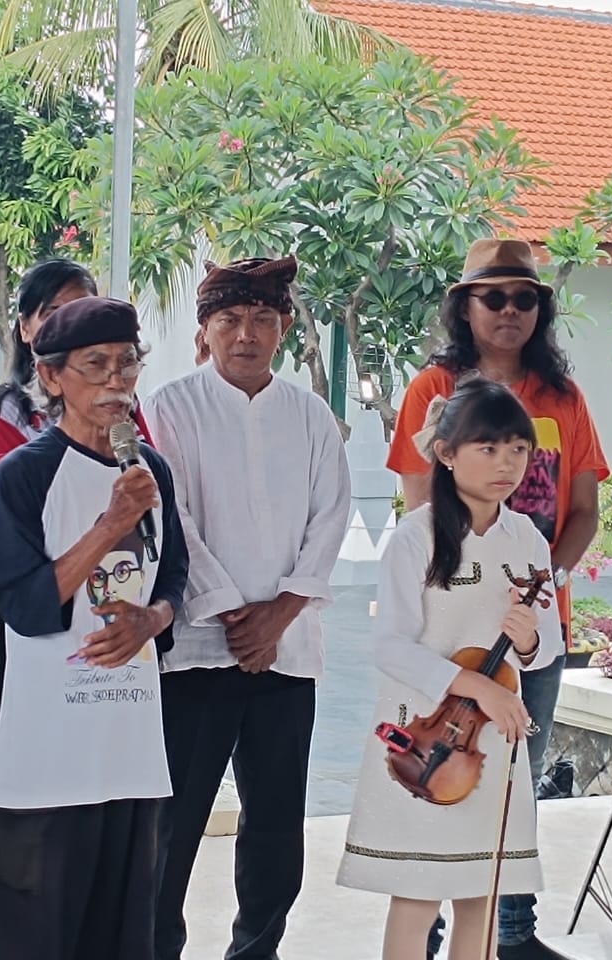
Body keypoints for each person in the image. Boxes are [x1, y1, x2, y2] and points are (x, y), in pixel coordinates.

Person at [387, 238, 607, 960]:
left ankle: (511, 933)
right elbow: (420, 506)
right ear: (464, 306)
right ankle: (429, 927)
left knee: (516, 782)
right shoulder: (433, 390)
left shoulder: (564, 397)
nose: (510, 310)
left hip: (532, 628)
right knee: (439, 779)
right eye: (494, 296)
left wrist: (549, 582)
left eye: (525, 298)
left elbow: (582, 509)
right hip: (450, 634)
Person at [142, 256, 352, 960]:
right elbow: (176, 522)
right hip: (201, 650)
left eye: (263, 318)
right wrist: (237, 614)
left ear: (285, 327)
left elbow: (331, 518)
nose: (246, 333)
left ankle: (256, 951)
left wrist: (281, 613)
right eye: (229, 319)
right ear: (205, 330)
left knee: (275, 827)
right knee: (172, 826)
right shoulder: (170, 407)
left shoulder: (312, 415)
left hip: (287, 653)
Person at [0, 297, 188, 960]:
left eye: (127, 365)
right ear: (51, 377)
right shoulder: (26, 475)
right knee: (36, 938)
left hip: (129, 747)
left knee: (126, 936)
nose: (115, 382)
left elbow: (175, 579)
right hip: (50, 759)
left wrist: (150, 623)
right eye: (95, 366)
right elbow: (25, 605)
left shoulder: (150, 471)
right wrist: (108, 527)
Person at [338, 377, 563, 960]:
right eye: (487, 448)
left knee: (482, 897)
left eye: (518, 449)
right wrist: (476, 686)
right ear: (446, 453)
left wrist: (531, 641)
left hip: (488, 747)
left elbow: (551, 649)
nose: (506, 463)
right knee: (417, 897)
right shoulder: (415, 537)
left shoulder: (531, 543)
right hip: (426, 735)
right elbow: (389, 645)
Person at [0, 258, 153, 739]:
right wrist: (110, 522)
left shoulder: (131, 429)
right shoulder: (6, 414)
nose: (73, 323)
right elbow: (16, 530)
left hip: (118, 641)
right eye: (53, 314)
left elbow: (166, 548)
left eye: (84, 309)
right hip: (32, 633)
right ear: (27, 328)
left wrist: (153, 615)